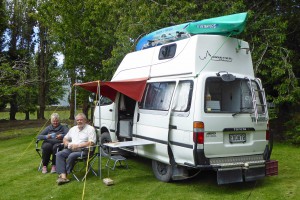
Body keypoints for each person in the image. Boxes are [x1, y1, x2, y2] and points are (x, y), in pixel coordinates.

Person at [56, 113, 96, 185]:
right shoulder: (73, 129)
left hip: (85, 150)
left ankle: (64, 176)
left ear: (85, 120)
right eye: (78, 120)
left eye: (81, 120)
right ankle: (63, 175)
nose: (79, 121)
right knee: (59, 154)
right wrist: (67, 143)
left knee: (72, 155)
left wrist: (78, 145)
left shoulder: (90, 129)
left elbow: (92, 142)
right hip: (72, 148)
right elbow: (65, 138)